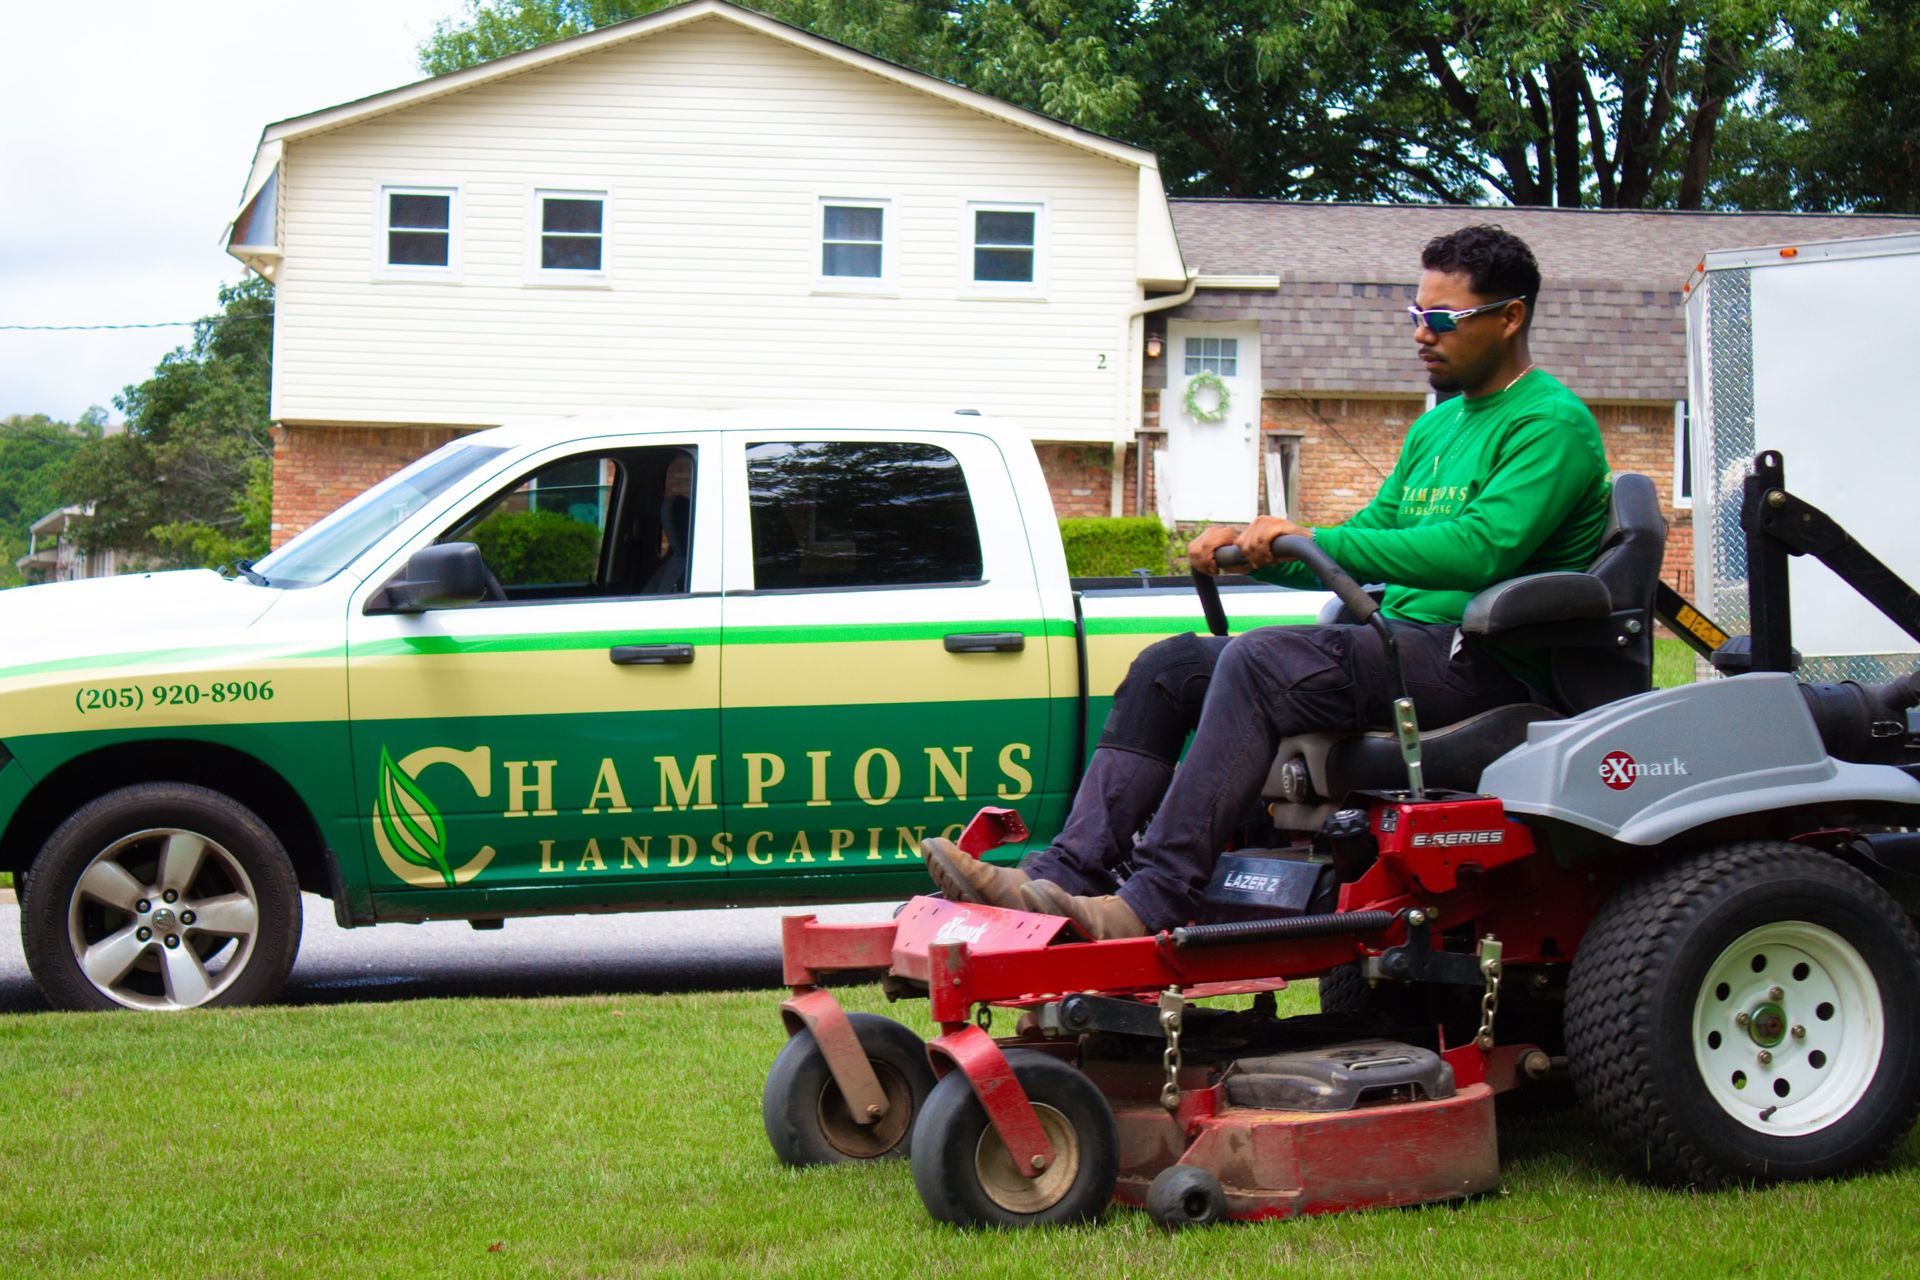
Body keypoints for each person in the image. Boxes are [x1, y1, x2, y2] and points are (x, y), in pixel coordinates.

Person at [922, 224, 1612, 939]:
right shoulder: (1434, 432)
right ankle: (1064, 876)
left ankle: (1151, 900)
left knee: (1259, 662)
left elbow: (1480, 550)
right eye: (1415, 316)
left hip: (1484, 665)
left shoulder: (1550, 425)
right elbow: (1366, 546)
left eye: (1442, 319)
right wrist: (1255, 548)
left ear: (1510, 317)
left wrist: (1303, 538)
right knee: (1171, 666)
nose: (1421, 335)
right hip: (1407, 649)